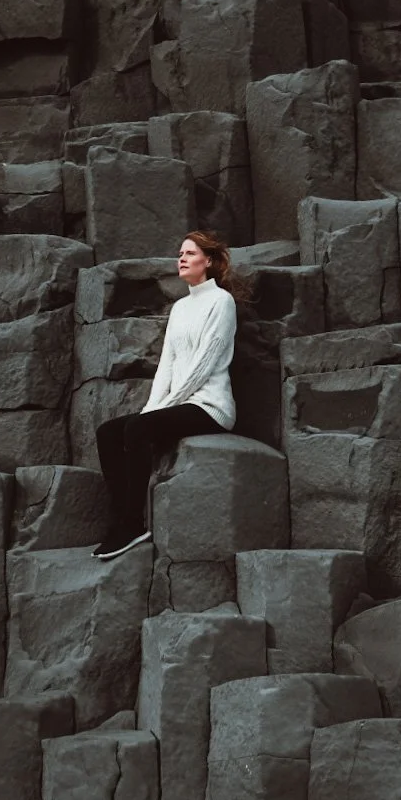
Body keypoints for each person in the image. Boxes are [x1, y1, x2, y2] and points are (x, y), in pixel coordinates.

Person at [92, 230, 241, 560]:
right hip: (181, 404)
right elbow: (167, 366)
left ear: (209, 261)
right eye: (180, 254)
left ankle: (133, 524)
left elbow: (204, 364)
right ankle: (122, 520)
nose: (182, 259)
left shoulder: (222, 302)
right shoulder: (180, 308)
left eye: (190, 253)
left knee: (138, 428)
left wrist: (161, 411)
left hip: (211, 406)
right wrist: (152, 409)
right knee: (108, 432)